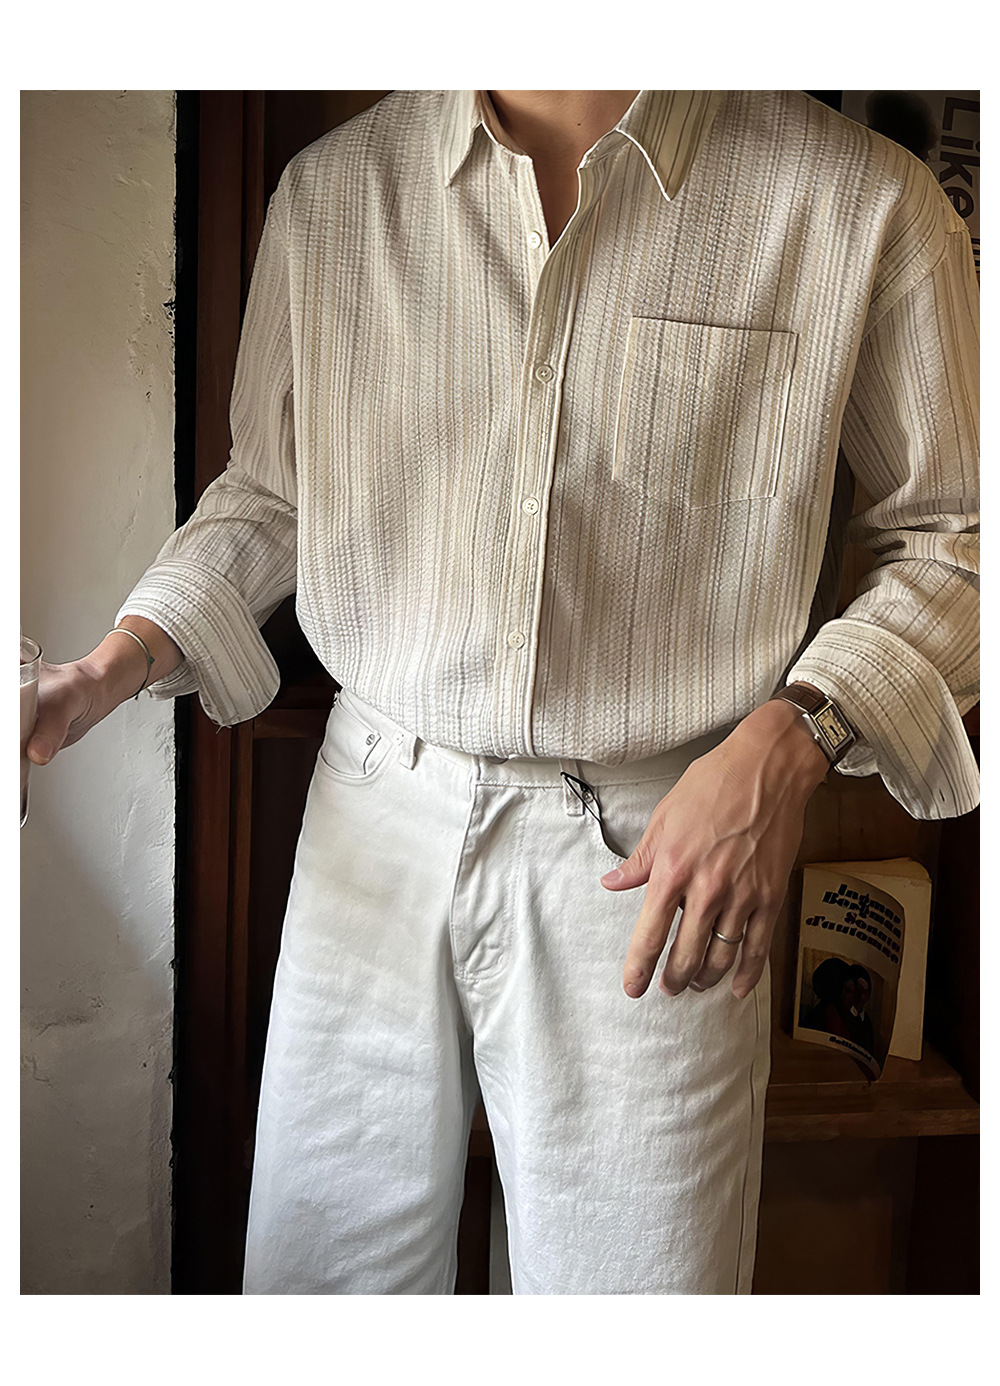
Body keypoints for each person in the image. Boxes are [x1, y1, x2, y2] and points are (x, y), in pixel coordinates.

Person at [27, 90, 979, 1295]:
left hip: (654, 846)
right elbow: (271, 496)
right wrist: (104, 669)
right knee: (321, 1291)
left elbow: (956, 543)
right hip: (372, 812)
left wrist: (792, 742)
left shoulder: (860, 201)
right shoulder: (332, 194)